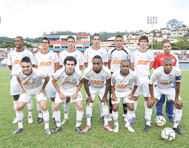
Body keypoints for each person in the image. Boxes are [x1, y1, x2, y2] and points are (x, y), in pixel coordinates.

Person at [13, 56, 51, 135]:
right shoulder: (17, 72)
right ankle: (20, 127)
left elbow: (48, 77)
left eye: (27, 66)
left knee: (44, 107)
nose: (25, 68)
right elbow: (18, 78)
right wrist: (22, 88)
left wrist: (43, 88)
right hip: (27, 91)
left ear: (31, 65)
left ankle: (47, 127)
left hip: (38, 90)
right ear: (20, 66)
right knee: (18, 107)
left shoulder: (38, 72)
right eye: (23, 66)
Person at [147, 58, 183, 135]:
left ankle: (176, 126)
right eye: (166, 65)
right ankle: (148, 124)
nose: (168, 67)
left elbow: (178, 84)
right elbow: (150, 84)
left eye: (170, 65)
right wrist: (152, 98)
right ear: (163, 65)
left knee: (179, 105)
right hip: (158, 88)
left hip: (170, 88)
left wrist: (176, 99)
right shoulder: (157, 71)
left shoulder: (177, 71)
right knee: (149, 104)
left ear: (173, 65)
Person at [51, 56, 84, 134]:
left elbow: (81, 81)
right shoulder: (59, 72)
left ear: (75, 65)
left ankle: (78, 125)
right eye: (68, 64)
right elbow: (54, 81)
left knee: (80, 106)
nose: (70, 66)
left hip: (74, 89)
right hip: (62, 89)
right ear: (65, 65)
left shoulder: (78, 72)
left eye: (72, 64)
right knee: (56, 106)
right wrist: (60, 92)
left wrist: (76, 92)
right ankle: (58, 125)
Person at [7, 36, 34, 124]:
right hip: (14, 78)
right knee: (15, 96)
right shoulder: (11, 53)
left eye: (18, 41)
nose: (16, 42)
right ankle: (17, 116)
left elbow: (31, 66)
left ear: (22, 42)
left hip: (26, 78)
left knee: (28, 96)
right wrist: (17, 73)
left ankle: (30, 115)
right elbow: (10, 66)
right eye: (15, 41)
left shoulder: (28, 53)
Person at [83, 55, 113, 132]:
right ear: (92, 63)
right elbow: (85, 84)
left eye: (98, 63)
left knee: (104, 103)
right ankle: (88, 124)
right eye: (94, 63)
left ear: (102, 63)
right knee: (89, 103)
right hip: (91, 87)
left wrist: (105, 95)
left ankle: (106, 124)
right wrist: (89, 96)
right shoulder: (87, 70)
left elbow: (108, 83)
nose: (96, 66)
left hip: (102, 87)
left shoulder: (107, 71)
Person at [59, 36, 84, 125]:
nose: (70, 43)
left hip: (75, 80)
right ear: (66, 42)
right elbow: (60, 66)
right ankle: (66, 117)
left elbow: (81, 67)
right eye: (69, 41)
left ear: (74, 43)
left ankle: (78, 118)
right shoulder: (62, 54)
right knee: (66, 99)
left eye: (72, 41)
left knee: (77, 98)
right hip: (65, 80)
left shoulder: (79, 54)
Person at [84, 34, 108, 123]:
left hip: (101, 77)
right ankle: (89, 116)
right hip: (92, 77)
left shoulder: (104, 51)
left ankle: (102, 115)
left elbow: (105, 63)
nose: (96, 41)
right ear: (92, 40)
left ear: (100, 40)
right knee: (90, 98)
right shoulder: (87, 51)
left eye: (98, 39)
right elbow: (86, 64)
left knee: (102, 98)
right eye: (95, 39)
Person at [34, 37, 59, 124]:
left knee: (53, 98)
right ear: (41, 44)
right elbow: (36, 68)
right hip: (40, 80)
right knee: (39, 99)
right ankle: (40, 116)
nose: (44, 44)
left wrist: (53, 77)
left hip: (50, 80)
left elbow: (56, 67)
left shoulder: (53, 55)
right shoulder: (37, 55)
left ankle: (53, 116)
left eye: (46, 42)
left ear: (48, 44)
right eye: (43, 42)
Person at [153, 40, 179, 123]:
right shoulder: (158, 57)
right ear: (162, 48)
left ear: (170, 47)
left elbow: (177, 70)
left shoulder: (174, 57)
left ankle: (170, 116)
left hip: (171, 82)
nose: (166, 48)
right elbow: (155, 70)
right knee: (160, 99)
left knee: (171, 99)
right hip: (160, 82)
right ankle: (159, 115)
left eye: (168, 46)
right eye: (165, 46)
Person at [130, 35, 154, 125]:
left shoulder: (150, 54)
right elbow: (132, 65)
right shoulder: (134, 53)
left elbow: (151, 65)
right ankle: (133, 116)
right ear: (139, 42)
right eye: (142, 41)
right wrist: (136, 73)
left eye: (145, 41)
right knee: (135, 97)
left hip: (146, 78)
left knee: (147, 97)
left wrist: (145, 72)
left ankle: (147, 117)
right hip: (137, 78)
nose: (143, 43)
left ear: (147, 43)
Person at [111, 60, 139, 132]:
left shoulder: (134, 75)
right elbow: (112, 85)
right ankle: (116, 124)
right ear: (120, 67)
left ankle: (128, 124)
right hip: (117, 91)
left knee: (131, 107)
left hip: (127, 91)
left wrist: (132, 93)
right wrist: (113, 94)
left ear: (129, 67)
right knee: (115, 107)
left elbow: (136, 84)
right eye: (123, 66)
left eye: (127, 66)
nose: (125, 68)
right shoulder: (115, 74)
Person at [108, 35, 131, 121]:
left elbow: (128, 63)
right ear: (114, 42)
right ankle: (110, 113)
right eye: (117, 40)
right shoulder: (110, 51)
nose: (118, 42)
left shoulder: (127, 51)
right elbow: (109, 63)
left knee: (125, 93)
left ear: (123, 42)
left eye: (120, 40)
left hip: (124, 75)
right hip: (113, 74)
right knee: (112, 94)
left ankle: (125, 114)